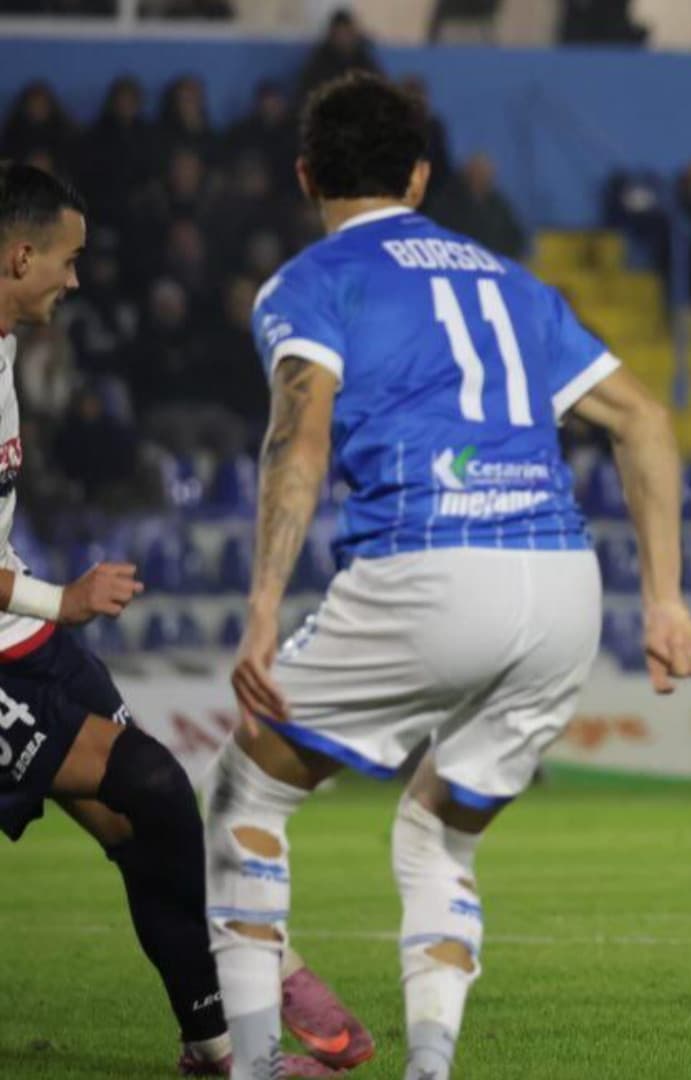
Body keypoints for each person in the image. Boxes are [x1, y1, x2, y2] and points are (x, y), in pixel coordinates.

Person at [206, 73, 691, 1080]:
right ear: (422, 176)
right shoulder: (515, 283)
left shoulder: (309, 283)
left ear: (307, 174)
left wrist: (262, 604)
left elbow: (297, 443)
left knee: (243, 799)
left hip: (427, 568)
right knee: (437, 837)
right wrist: (665, 599)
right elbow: (646, 419)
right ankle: (430, 1069)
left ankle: (255, 1064)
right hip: (564, 589)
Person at [0, 161, 359, 1077]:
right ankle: (246, 1022)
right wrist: (60, 599)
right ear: (19, 255)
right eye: (68, 261)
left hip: (19, 632)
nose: (76, 281)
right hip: (24, 618)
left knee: (144, 821)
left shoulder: (7, 343)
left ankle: (220, 1038)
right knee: (155, 786)